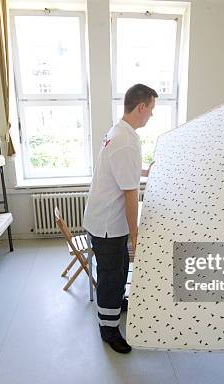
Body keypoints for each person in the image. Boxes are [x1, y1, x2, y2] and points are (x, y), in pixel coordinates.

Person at [83, 83, 157, 354]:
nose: (151, 115)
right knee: (111, 276)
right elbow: (130, 194)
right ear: (141, 107)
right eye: (151, 109)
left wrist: (149, 171)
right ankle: (108, 329)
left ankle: (116, 303)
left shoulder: (121, 132)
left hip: (104, 220)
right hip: (107, 226)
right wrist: (135, 235)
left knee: (119, 268)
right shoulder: (125, 140)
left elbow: (126, 172)